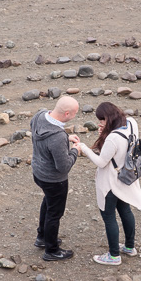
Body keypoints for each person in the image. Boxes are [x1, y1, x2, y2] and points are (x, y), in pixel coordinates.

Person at [76, 102, 141, 265]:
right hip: (126, 178)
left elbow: (101, 162)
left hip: (110, 182)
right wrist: (105, 132)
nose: (100, 123)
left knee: (108, 216)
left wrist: (84, 148)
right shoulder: (131, 123)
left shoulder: (113, 138)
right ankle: (130, 247)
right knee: (125, 210)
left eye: (102, 120)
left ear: (109, 117)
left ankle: (114, 255)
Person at [30, 96, 81, 261]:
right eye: (74, 113)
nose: (75, 115)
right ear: (67, 113)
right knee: (55, 213)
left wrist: (66, 138)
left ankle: (42, 237)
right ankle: (51, 250)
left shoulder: (40, 115)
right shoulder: (57, 137)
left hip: (38, 172)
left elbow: (48, 140)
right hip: (54, 180)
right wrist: (75, 151)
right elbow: (63, 166)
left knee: (48, 202)